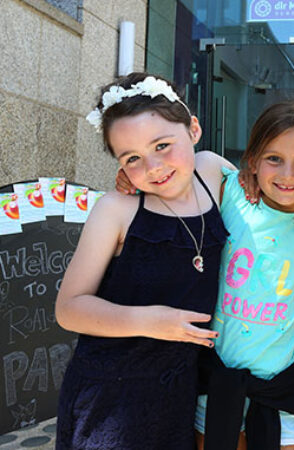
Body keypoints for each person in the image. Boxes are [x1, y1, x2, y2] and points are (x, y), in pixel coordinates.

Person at [55, 73, 231, 449]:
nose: (153, 166)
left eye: (163, 145)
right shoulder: (116, 209)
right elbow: (69, 308)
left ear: (194, 129)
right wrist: (148, 320)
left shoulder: (213, 172)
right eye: (132, 158)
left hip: (183, 389)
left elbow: (267, 209)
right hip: (111, 396)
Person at [194, 101, 294, 450]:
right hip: (218, 384)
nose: (288, 174)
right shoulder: (230, 194)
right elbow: (203, 160)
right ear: (253, 161)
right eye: (274, 159)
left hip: (280, 391)